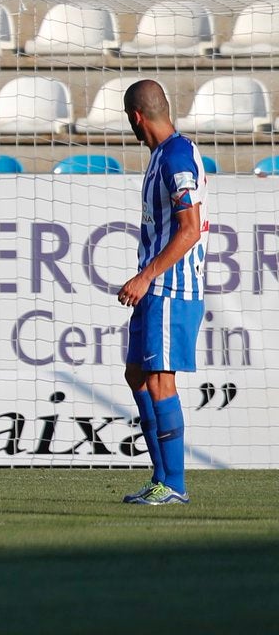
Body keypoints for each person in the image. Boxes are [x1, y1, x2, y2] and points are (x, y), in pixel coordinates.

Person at [118, 79, 209, 505]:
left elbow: (189, 228)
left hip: (171, 285)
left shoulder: (175, 156)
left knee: (159, 379)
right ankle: (161, 479)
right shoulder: (162, 156)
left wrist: (145, 276)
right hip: (157, 285)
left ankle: (174, 485)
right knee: (136, 372)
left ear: (136, 117)